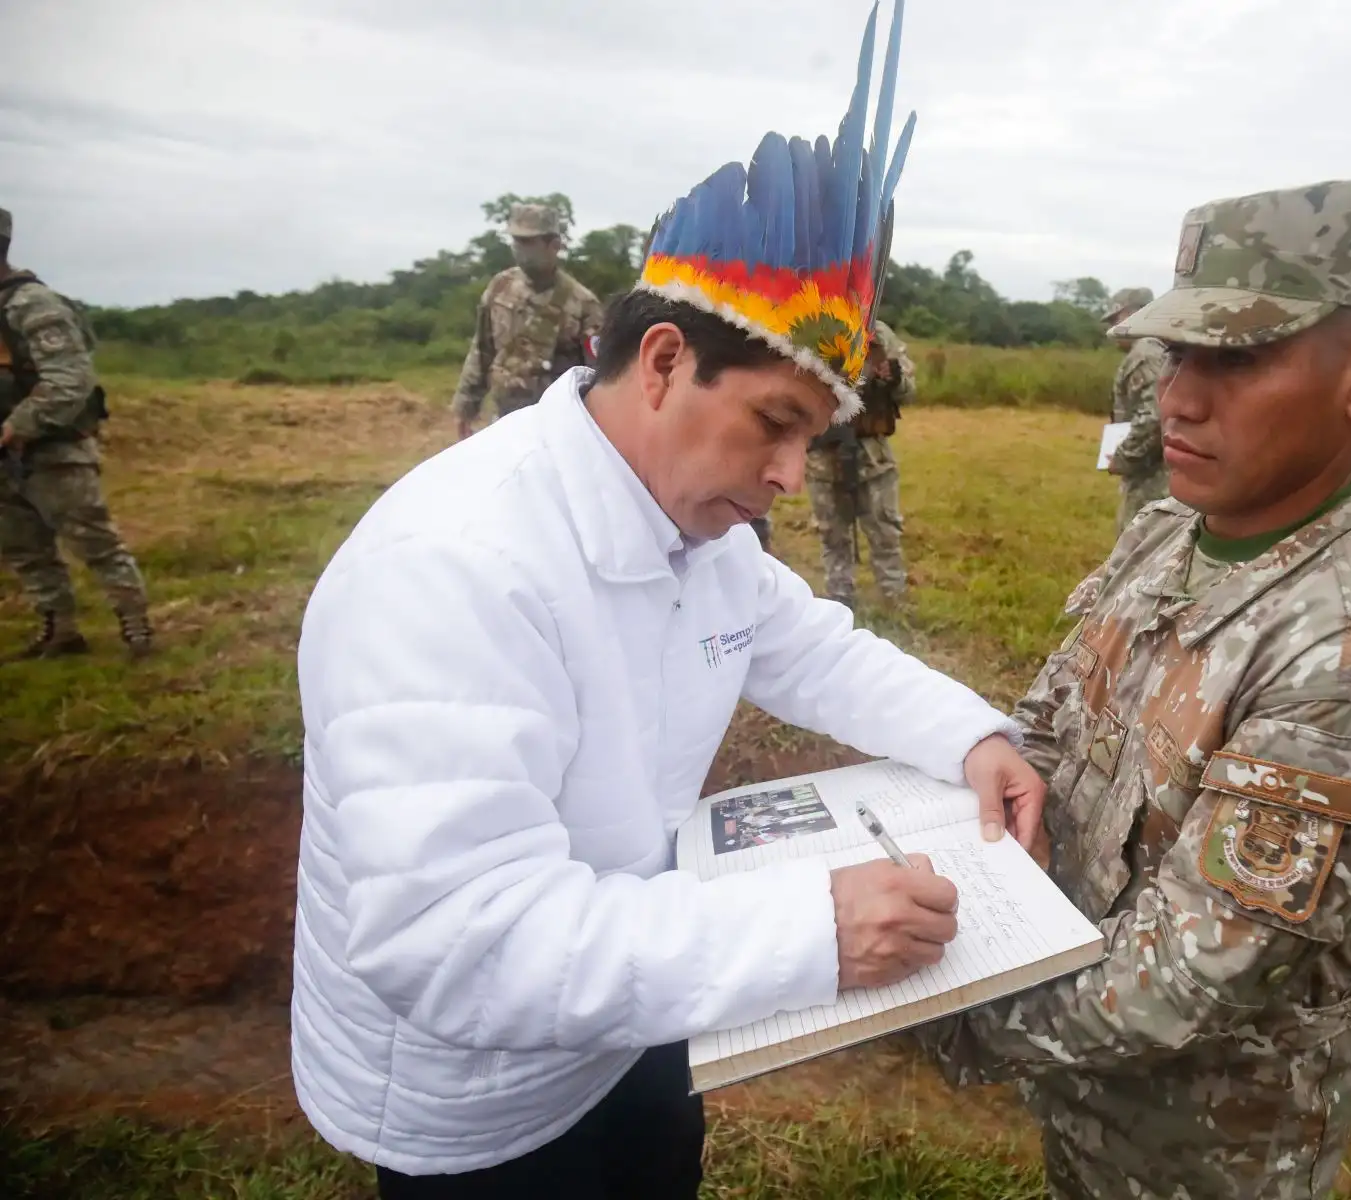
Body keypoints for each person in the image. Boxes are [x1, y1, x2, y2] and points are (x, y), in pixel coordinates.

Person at [290, 6, 1044, 1196]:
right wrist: (811, 935)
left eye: (813, 438)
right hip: (484, 1101)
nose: (793, 475)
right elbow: (457, 942)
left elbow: (808, 645)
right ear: (659, 365)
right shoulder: (453, 569)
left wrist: (972, 734)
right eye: (776, 425)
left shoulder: (699, 522)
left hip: (649, 998)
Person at [922, 180, 1351, 1200]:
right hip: (1088, 1101)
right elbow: (1053, 725)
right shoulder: (1172, 536)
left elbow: (1173, 988)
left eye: (1233, 359)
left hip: (1204, 1153)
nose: (1177, 398)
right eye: (1178, 354)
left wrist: (923, 999)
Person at [0, 205, 152, 661]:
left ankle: (137, 632)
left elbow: (69, 381)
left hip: (53, 451)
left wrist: (17, 426)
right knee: (26, 550)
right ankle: (60, 631)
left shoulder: (32, 305)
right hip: (7, 454)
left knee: (96, 543)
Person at [451, 203, 606, 440]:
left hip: (556, 430)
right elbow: (482, 348)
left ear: (553, 245)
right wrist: (465, 406)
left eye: (528, 243)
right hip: (503, 421)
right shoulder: (500, 286)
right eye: (516, 242)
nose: (519, 250)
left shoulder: (583, 304)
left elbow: (597, 376)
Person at [805, 317, 912, 610]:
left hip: (872, 455)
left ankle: (894, 598)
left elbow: (908, 390)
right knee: (831, 532)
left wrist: (893, 376)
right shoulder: (809, 326)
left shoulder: (878, 333)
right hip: (824, 452)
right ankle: (839, 599)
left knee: (885, 530)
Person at [1100, 286, 1169, 534]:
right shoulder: (1159, 348)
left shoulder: (1145, 353)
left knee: (1136, 550)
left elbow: (1154, 417)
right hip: (1157, 473)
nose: (1110, 330)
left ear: (1131, 314)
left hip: (1153, 478)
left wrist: (1123, 457)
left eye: (1114, 319)